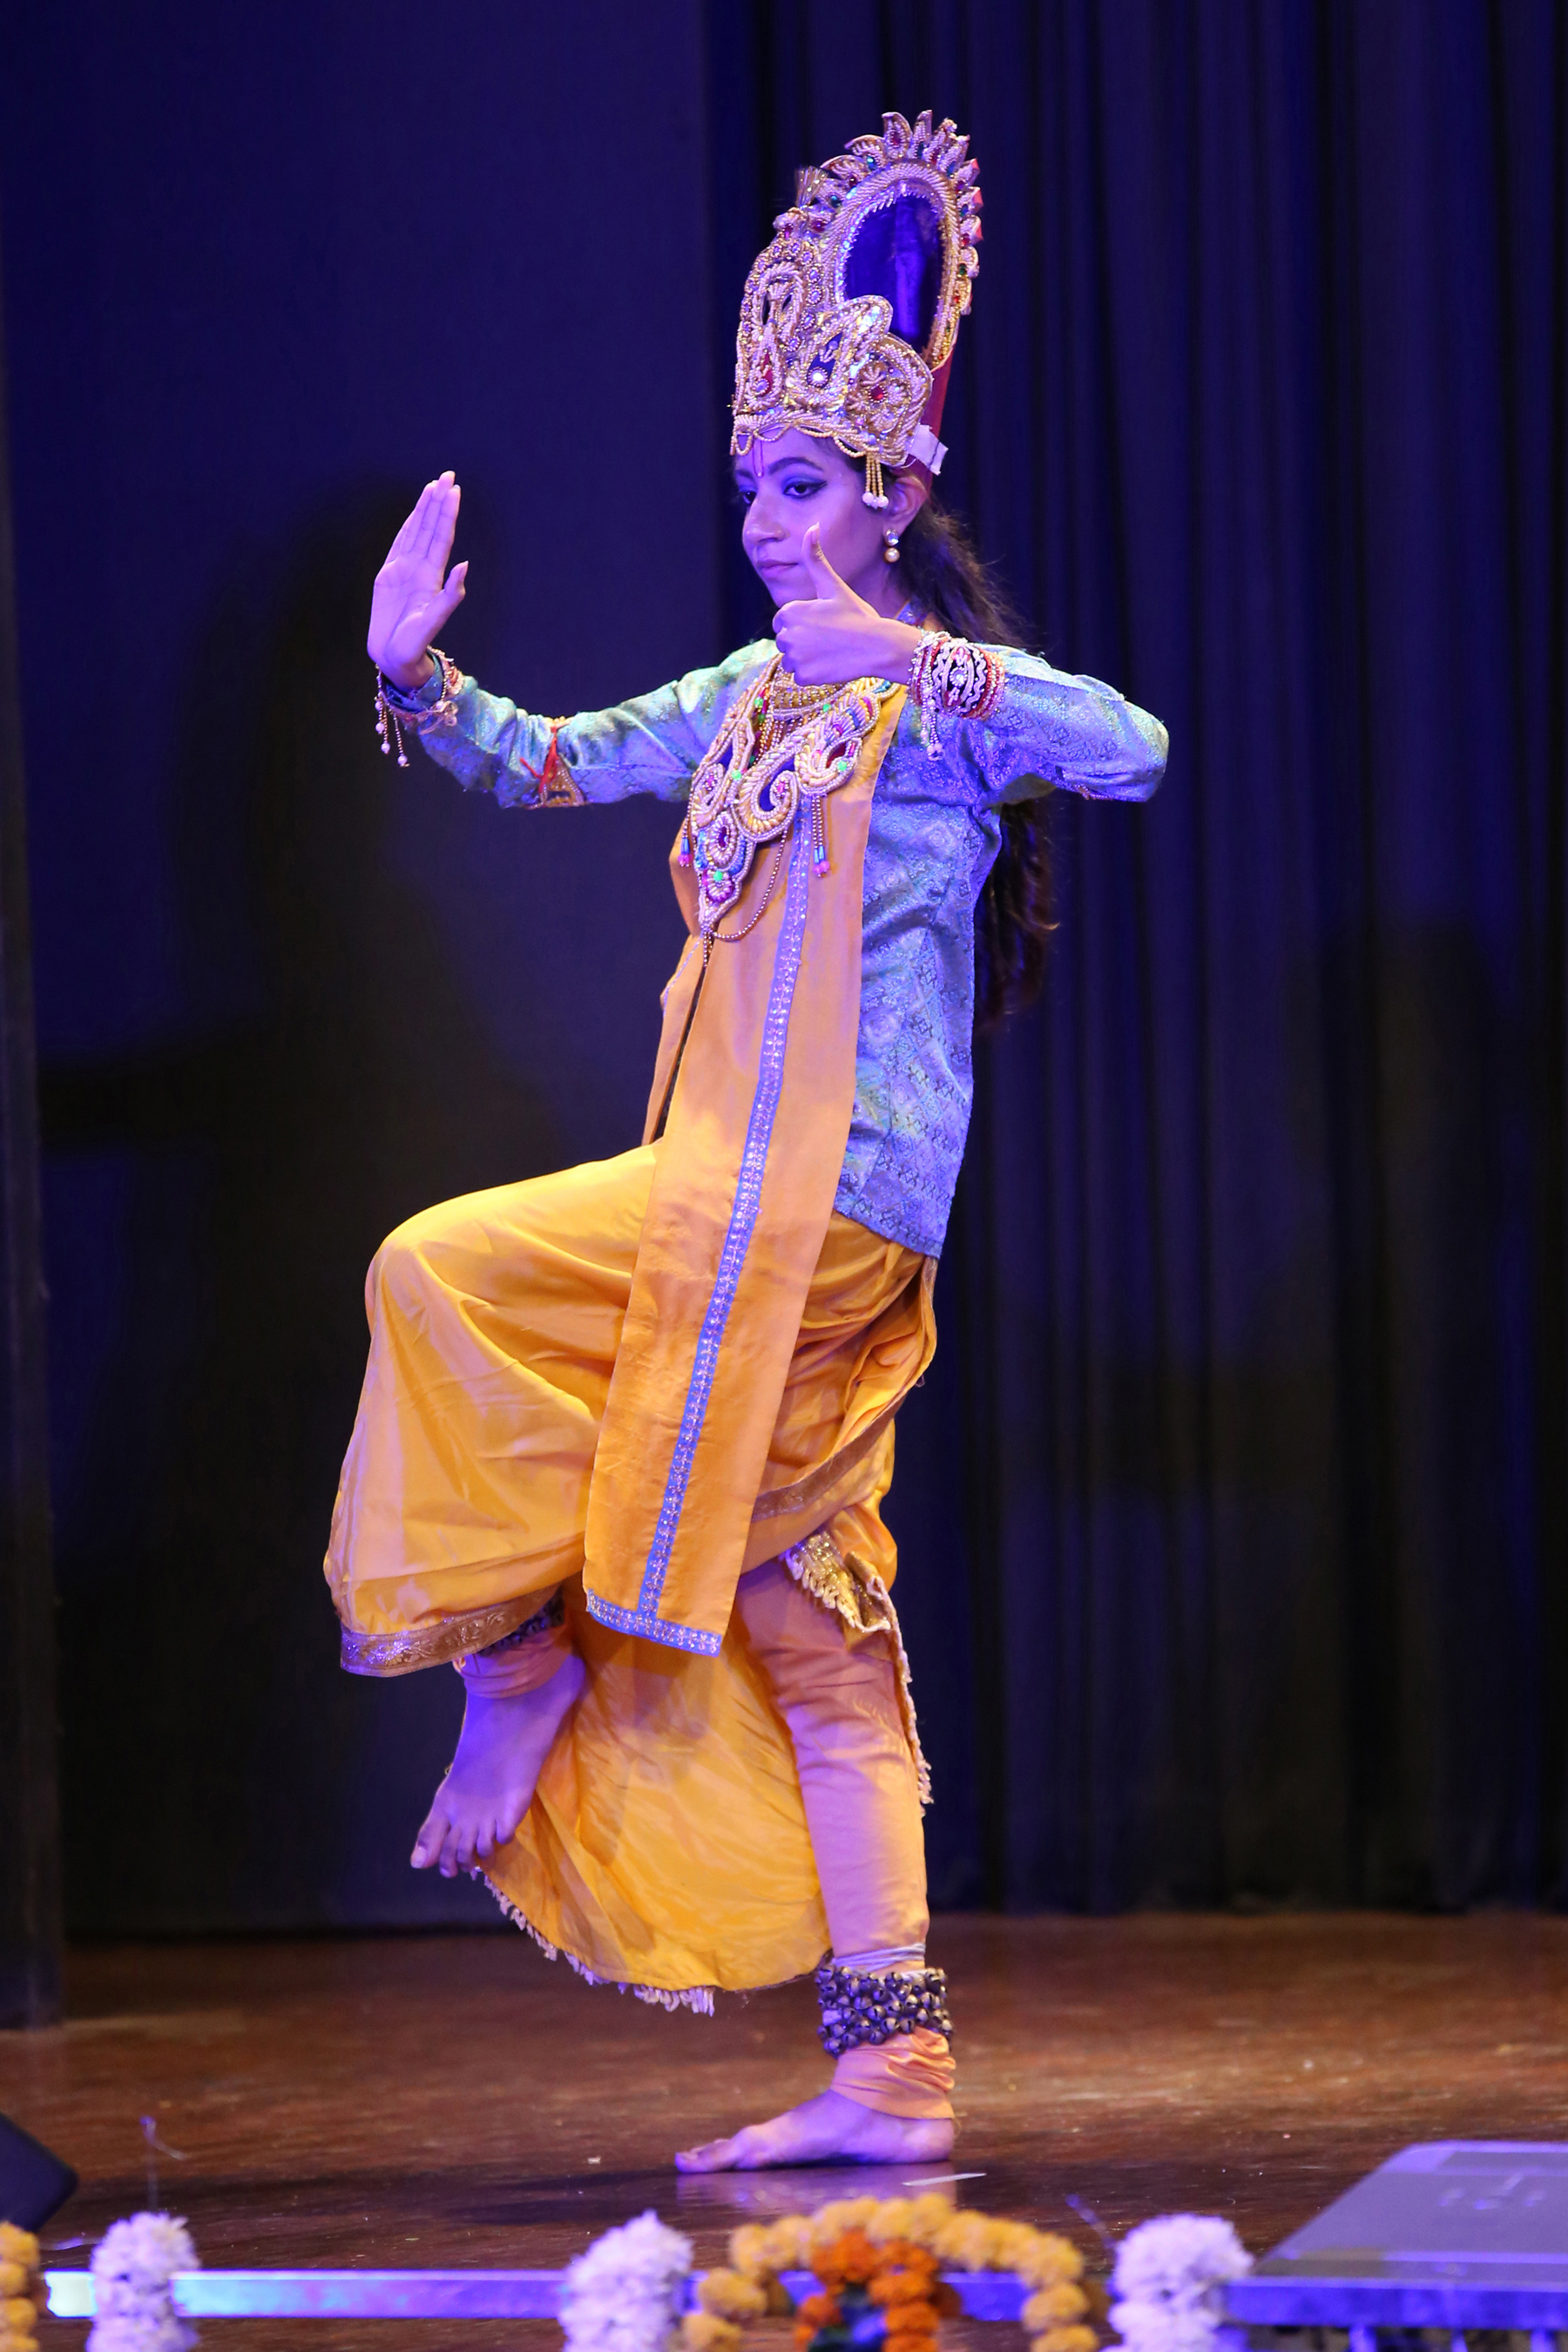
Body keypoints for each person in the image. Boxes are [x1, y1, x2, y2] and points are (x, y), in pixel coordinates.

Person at [327, 109, 1166, 2172]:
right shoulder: (745, 692)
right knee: (812, 1619)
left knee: (433, 1266)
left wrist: (925, 661)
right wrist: (414, 676)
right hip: (726, 1191)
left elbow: (1135, 750)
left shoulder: (938, 700)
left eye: (803, 487)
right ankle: (893, 2071)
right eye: (753, 491)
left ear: (893, 491)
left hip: (833, 1206)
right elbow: (546, 764)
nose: (771, 527)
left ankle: (519, 1660)